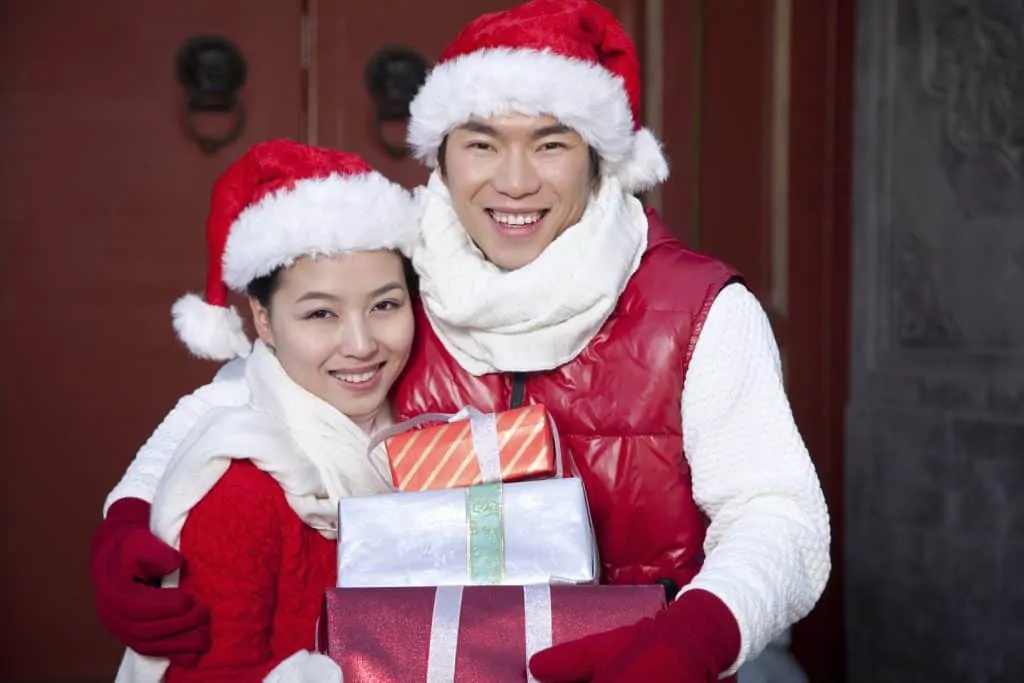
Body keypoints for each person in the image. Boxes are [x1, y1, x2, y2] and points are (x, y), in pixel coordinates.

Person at [91, 2, 831, 681]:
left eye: (550, 142)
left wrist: (693, 638)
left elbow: (780, 516)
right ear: (441, 155)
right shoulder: (400, 279)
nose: (513, 182)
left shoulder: (697, 309)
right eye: (482, 142)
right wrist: (129, 513)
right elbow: (247, 392)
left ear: (598, 156)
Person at [113, 140, 418, 681]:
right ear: (261, 319)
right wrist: (125, 517)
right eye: (320, 313)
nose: (362, 343)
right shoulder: (243, 485)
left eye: (386, 305)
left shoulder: (422, 404)